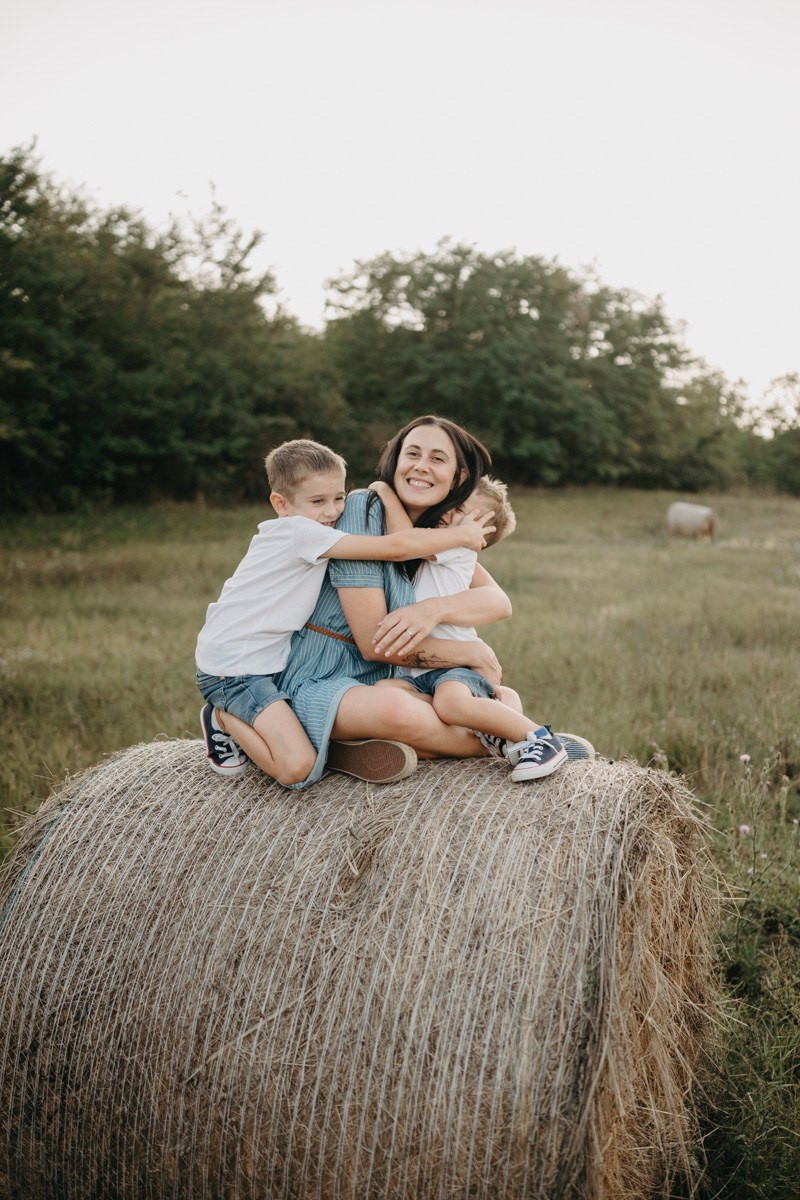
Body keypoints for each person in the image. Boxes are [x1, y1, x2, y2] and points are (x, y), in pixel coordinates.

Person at [275, 415, 552, 790]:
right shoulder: (365, 510)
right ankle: (509, 741)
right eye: (413, 453)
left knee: (479, 698)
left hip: (388, 679)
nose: (421, 466)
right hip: (326, 673)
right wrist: (467, 653)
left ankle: (359, 746)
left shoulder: (438, 531)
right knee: (402, 710)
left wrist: (433, 609)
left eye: (438, 459)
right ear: (396, 460)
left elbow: (497, 601)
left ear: (458, 478)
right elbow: (375, 645)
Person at [196, 438, 495, 784]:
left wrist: (437, 608)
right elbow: (397, 548)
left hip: (265, 663)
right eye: (318, 501)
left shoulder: (324, 526)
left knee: (494, 702)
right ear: (280, 504)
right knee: (300, 766)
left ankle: (335, 745)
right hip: (236, 668)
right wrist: (461, 536)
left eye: (338, 498)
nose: (332, 512)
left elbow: (497, 599)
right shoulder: (306, 530)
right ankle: (223, 716)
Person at [371, 473, 592, 781]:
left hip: (454, 668)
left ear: (480, 536)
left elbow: (402, 540)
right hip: (416, 674)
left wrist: (383, 489)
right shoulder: (440, 548)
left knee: (451, 704)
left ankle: (539, 738)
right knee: (381, 693)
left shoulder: (458, 549)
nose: (449, 513)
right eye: (452, 505)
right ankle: (495, 726)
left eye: (463, 514)